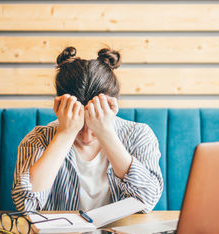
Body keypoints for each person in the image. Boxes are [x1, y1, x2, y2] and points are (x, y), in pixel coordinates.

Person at [12, 46, 163, 213]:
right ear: (61, 109)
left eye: (93, 126)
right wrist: (65, 133)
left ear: (111, 108)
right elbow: (25, 205)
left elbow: (147, 201)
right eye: (78, 126)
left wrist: (105, 132)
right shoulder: (39, 139)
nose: (86, 137)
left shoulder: (138, 135)